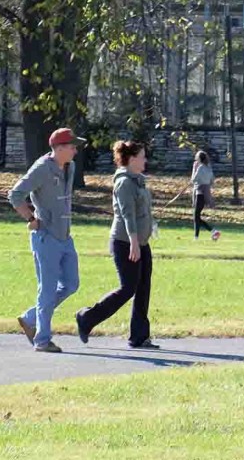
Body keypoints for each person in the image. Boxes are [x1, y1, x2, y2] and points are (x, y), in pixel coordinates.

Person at [74, 140, 160, 350]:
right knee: (127, 288)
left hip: (141, 242)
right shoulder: (124, 183)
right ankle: (86, 318)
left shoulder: (138, 181)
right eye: (141, 156)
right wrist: (133, 242)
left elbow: (142, 211)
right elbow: (127, 214)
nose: (145, 160)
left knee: (143, 287)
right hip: (125, 242)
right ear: (131, 159)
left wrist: (150, 227)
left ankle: (139, 336)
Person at [9, 127, 85, 353]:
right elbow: (15, 194)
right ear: (59, 148)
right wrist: (31, 217)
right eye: (72, 147)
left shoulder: (69, 167)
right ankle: (42, 340)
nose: (75, 151)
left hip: (65, 236)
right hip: (46, 237)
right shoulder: (42, 168)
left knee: (71, 284)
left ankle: (30, 317)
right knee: (48, 289)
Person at [191, 150, 219, 241]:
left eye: (196, 157)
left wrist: (194, 169)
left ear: (199, 158)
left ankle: (213, 231)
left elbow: (193, 180)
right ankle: (196, 237)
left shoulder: (200, 168)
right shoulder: (208, 168)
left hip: (199, 192)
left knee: (196, 216)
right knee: (197, 216)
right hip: (206, 193)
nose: (195, 158)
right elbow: (212, 181)